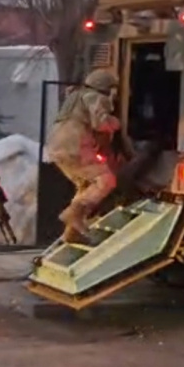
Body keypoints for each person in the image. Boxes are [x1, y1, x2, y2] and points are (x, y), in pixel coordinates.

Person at [45, 68, 121, 244]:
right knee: (106, 179)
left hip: (56, 146)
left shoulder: (75, 95)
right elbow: (100, 123)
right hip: (75, 145)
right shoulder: (95, 97)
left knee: (86, 185)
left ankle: (73, 231)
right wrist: (116, 123)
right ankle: (74, 213)